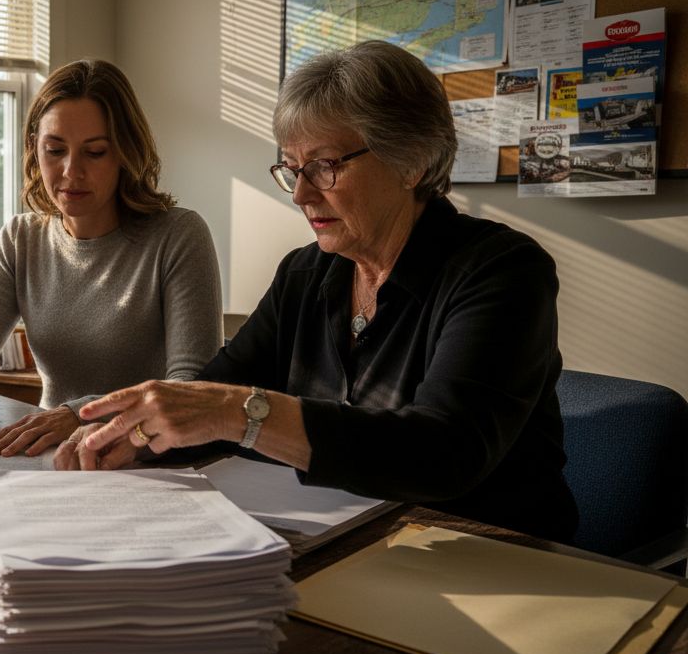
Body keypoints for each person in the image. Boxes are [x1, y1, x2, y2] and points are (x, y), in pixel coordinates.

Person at [57, 41, 577, 542]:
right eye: (292, 169)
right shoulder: (305, 273)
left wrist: (240, 413)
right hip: (351, 542)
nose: (302, 194)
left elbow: (444, 454)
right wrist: (133, 436)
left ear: (411, 161)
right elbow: (214, 393)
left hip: (495, 558)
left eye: (326, 166)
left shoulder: (502, 271)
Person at [0, 60, 222, 457]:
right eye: (55, 150)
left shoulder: (179, 236)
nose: (71, 171)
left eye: (95, 152)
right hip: (52, 458)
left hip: (146, 464)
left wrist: (78, 415)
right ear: (35, 148)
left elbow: (190, 390)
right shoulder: (20, 239)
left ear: (125, 153)